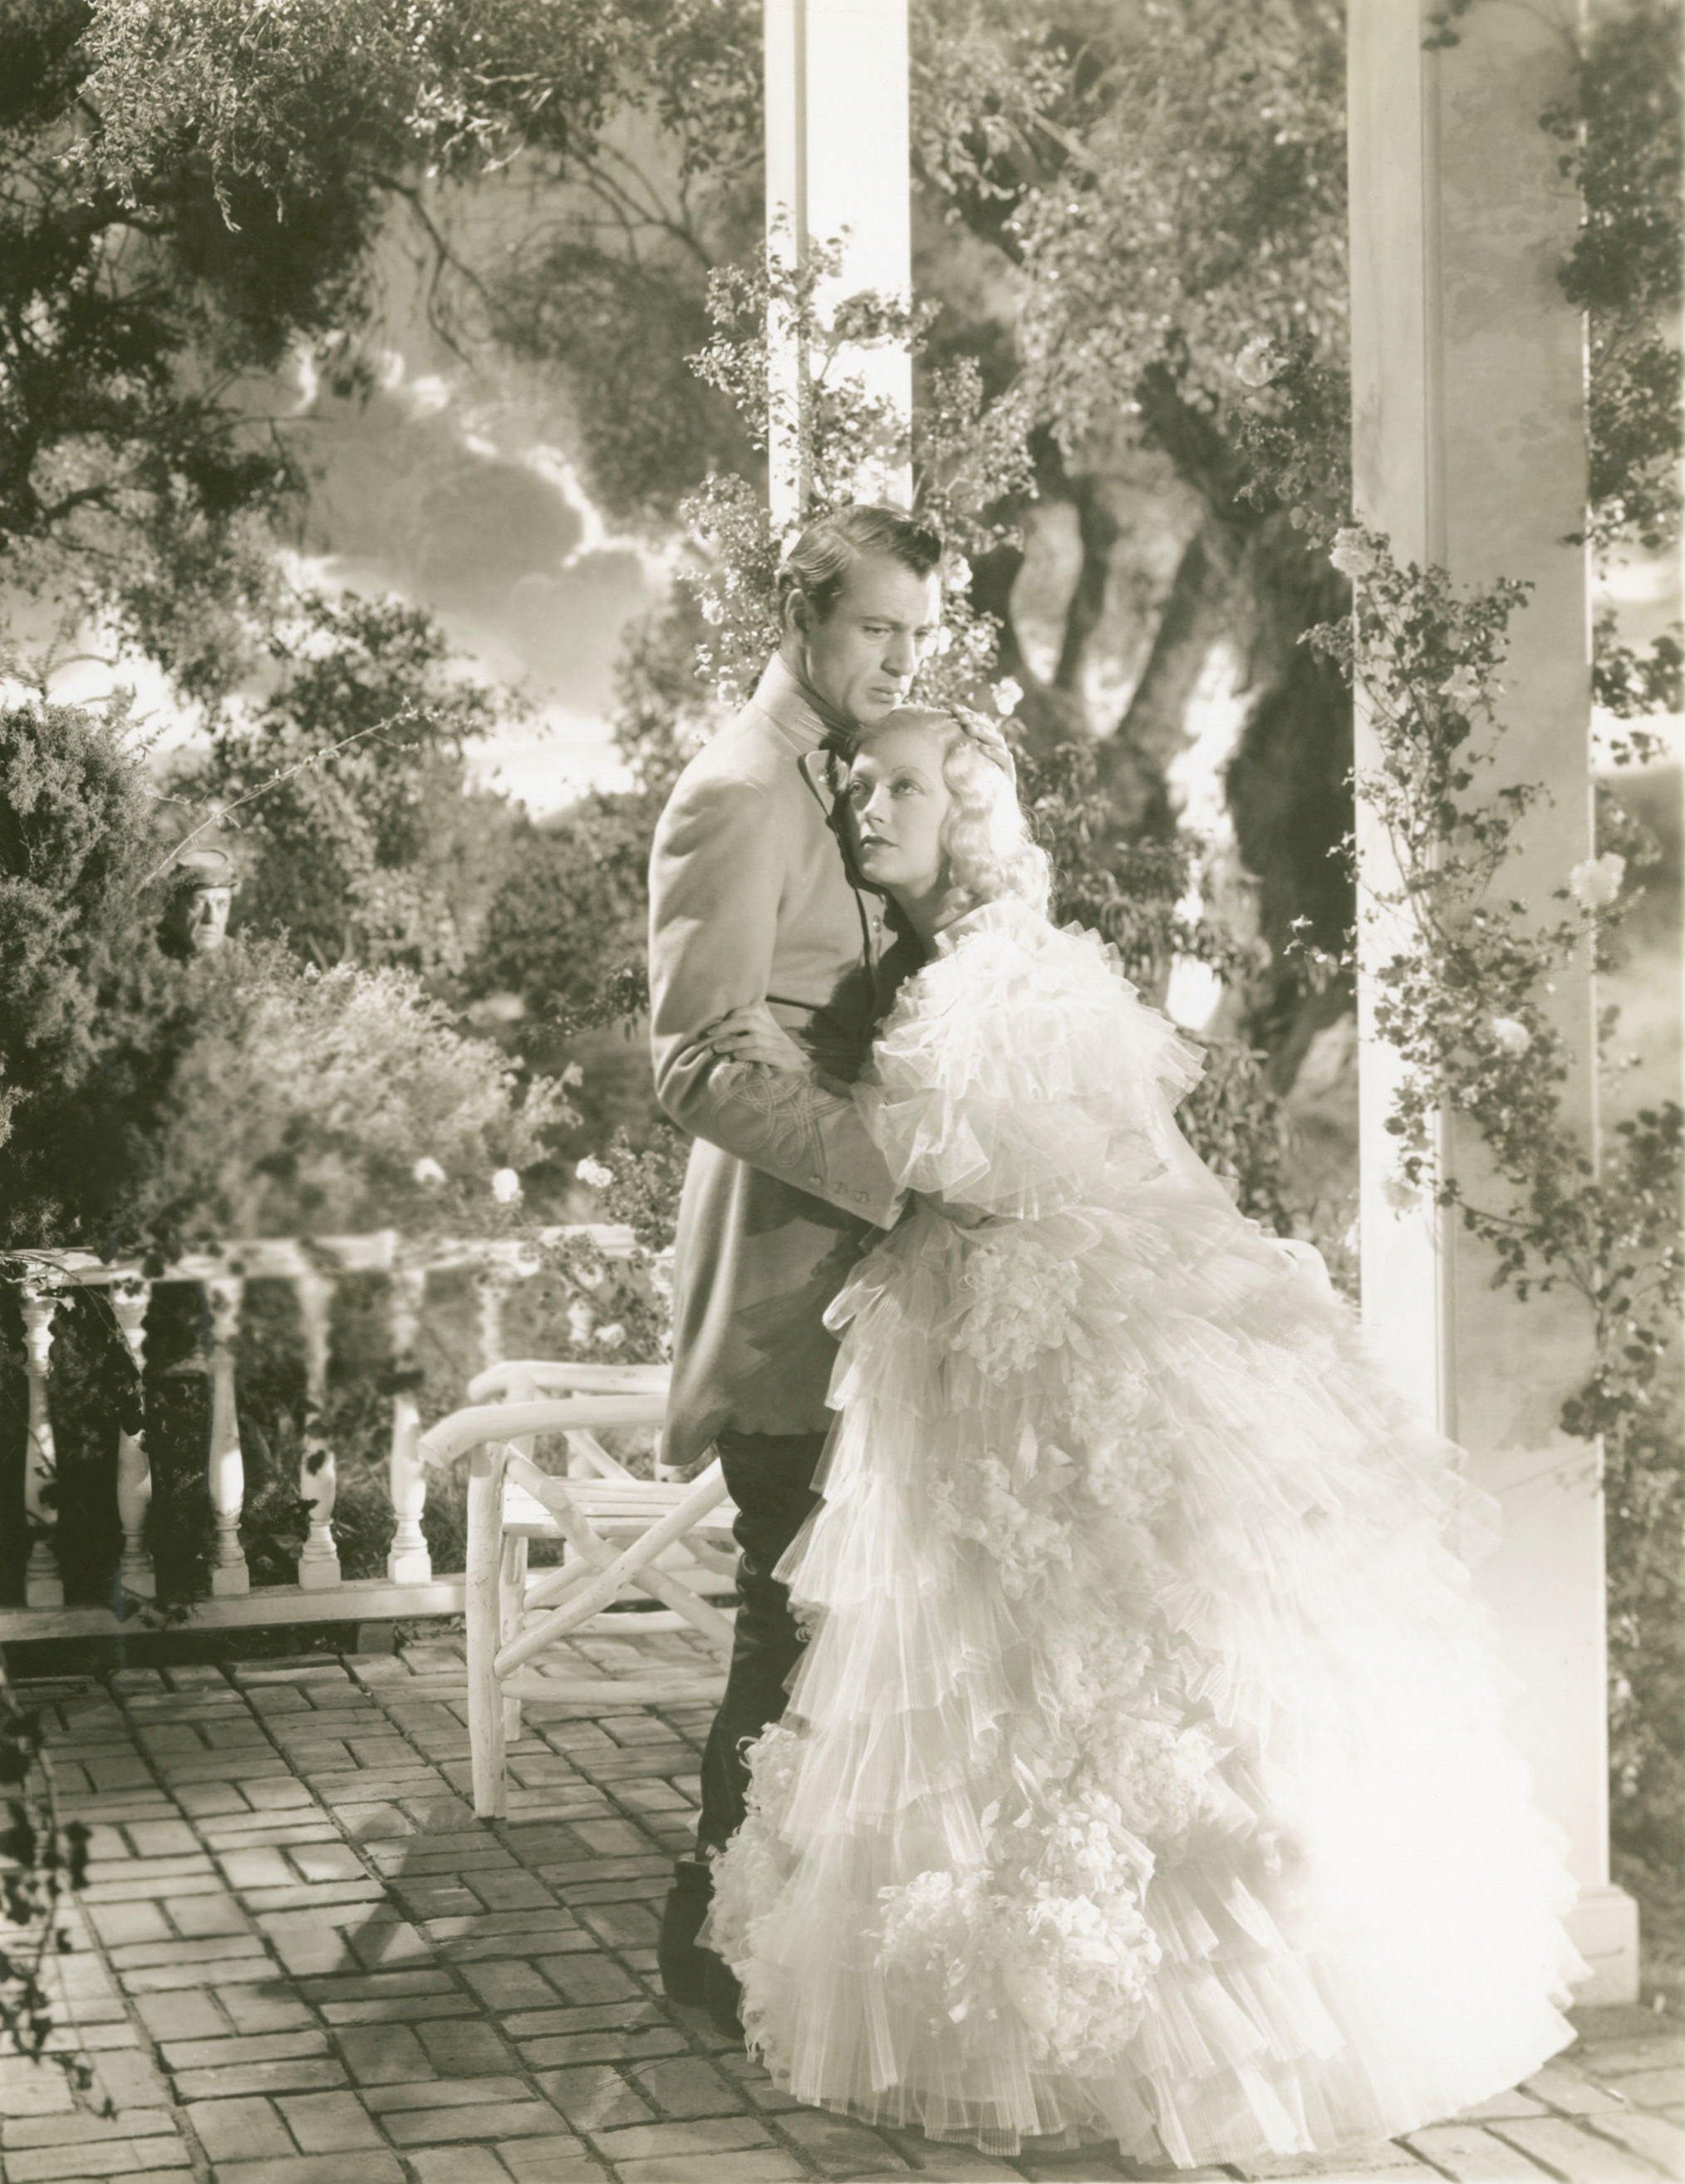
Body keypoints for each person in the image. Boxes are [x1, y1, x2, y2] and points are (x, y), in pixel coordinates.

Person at [695, 706, 1584, 2167]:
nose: (868, 808)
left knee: (1088, 1669)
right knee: (997, 1674)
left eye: (902, 786)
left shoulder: (1010, 971)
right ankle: (1043, 2013)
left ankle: (1150, 2031)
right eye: (856, 786)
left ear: (969, 812)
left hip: (1048, 1342)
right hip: (976, 1343)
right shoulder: (937, 965)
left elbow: (975, 1166)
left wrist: (769, 1074)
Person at [646, 504, 945, 2029]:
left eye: (917, 632)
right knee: (790, 1620)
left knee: (860, 1630)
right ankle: (710, 1941)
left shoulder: (858, 766)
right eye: (877, 627)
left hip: (879, 1289)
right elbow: (695, 1062)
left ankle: (813, 1948)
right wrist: (904, 1163)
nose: (902, 659)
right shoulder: (738, 791)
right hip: (783, 1280)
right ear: (799, 616)